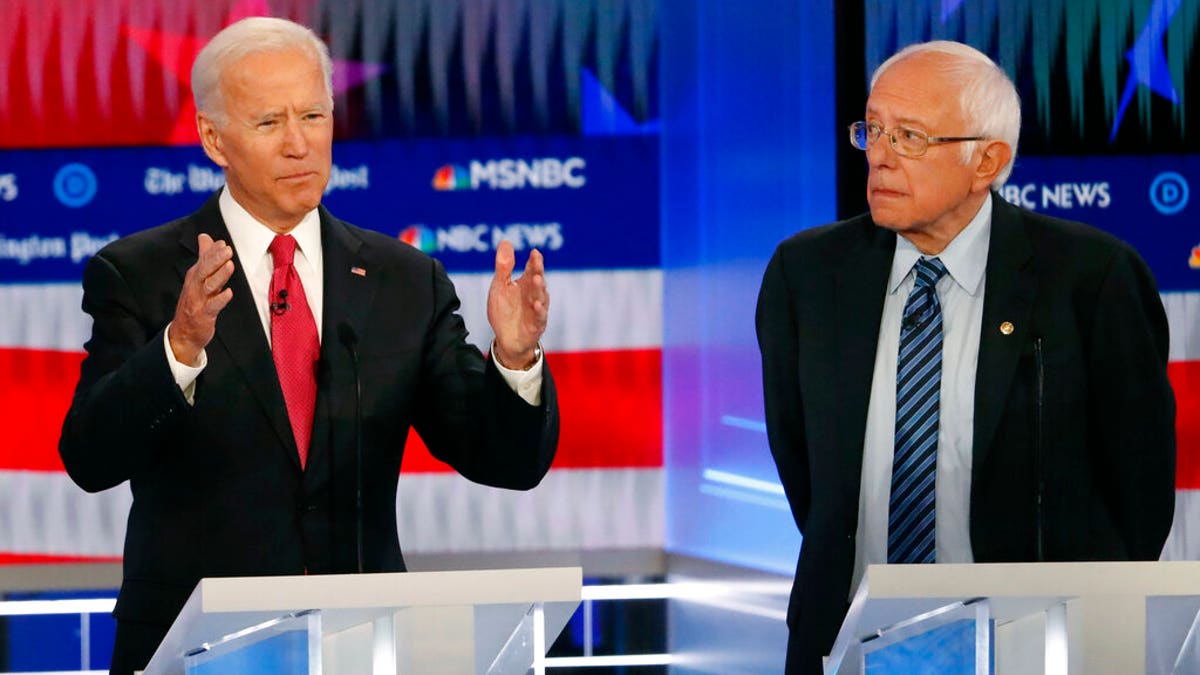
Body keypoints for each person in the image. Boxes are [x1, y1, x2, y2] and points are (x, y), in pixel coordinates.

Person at [58, 17, 559, 673]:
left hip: (361, 642)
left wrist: (515, 360)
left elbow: (503, 459)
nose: (299, 144)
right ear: (214, 138)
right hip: (193, 647)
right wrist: (178, 345)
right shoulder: (142, 274)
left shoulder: (403, 280)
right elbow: (90, 456)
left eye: (314, 115)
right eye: (270, 123)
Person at [756, 40, 1175, 674]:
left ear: (988, 160)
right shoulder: (808, 274)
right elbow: (805, 467)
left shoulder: (1092, 278)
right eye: (872, 129)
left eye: (911, 137)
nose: (880, 156)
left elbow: (1138, 493)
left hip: (1032, 643)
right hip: (847, 642)